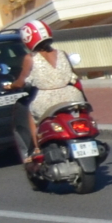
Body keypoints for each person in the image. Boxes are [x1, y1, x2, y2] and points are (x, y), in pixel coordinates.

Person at [12, 20, 84, 158]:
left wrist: (11, 85)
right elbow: (73, 74)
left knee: (31, 115)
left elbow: (21, 82)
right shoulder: (62, 53)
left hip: (46, 99)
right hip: (72, 96)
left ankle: (37, 149)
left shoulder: (30, 58)